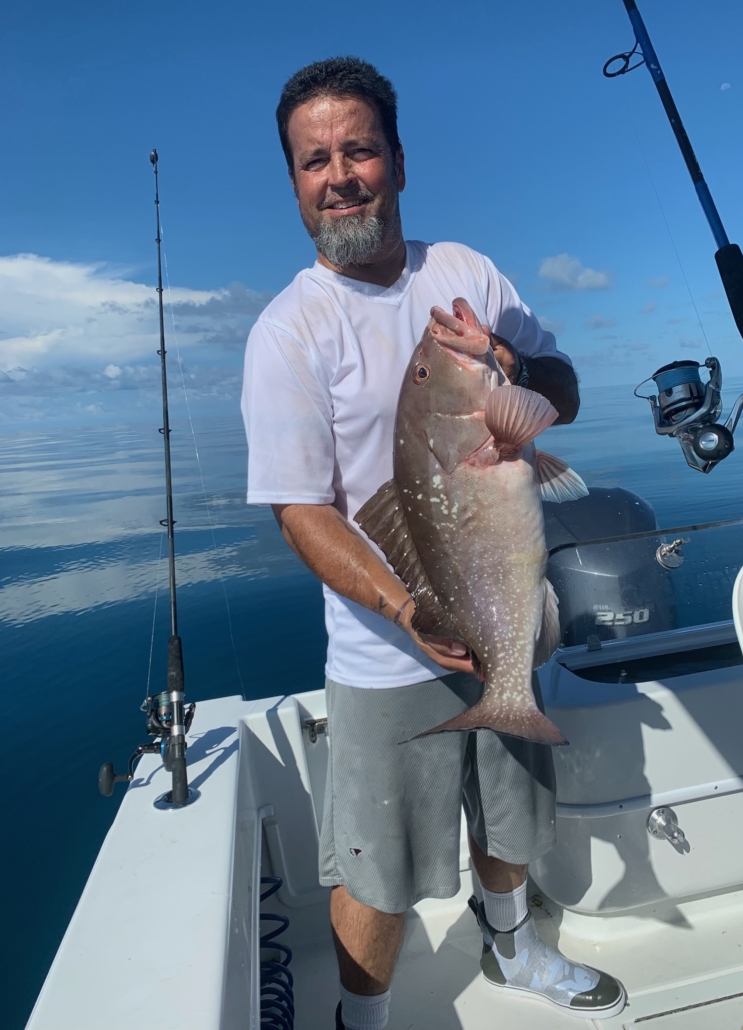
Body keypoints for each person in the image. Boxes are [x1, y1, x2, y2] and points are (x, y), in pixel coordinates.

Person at [242, 56, 626, 1029]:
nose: (339, 175)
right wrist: (406, 610)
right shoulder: (288, 332)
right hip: (385, 651)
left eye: (358, 149)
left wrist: (506, 367)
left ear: (398, 162)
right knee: (375, 871)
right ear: (294, 182)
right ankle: (359, 1022)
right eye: (313, 160)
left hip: (499, 596)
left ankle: (512, 948)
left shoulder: (464, 273)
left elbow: (559, 392)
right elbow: (303, 511)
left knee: (511, 814)